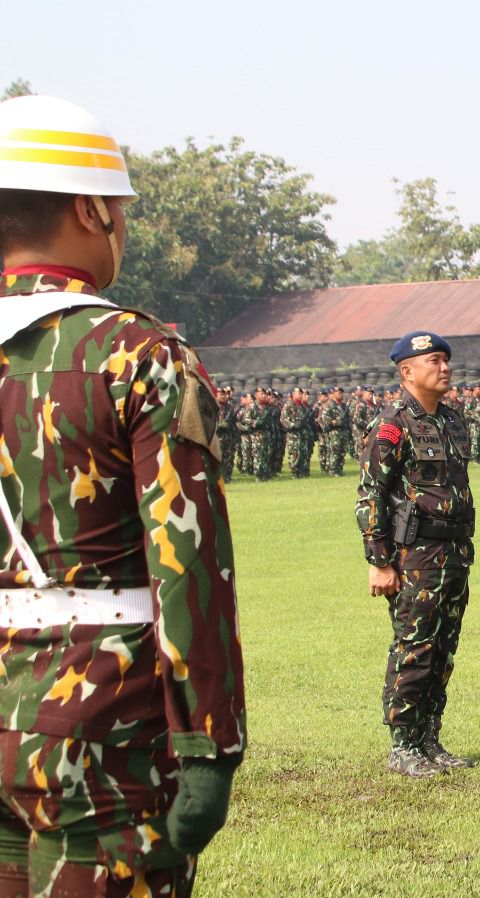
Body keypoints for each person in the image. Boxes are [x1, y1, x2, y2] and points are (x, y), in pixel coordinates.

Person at [0, 94, 246, 897]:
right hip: (106, 728)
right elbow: (189, 563)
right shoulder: (138, 353)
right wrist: (209, 744)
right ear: (90, 209)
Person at [355, 331, 477, 777]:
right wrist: (379, 562)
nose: (444, 368)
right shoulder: (392, 424)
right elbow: (370, 494)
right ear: (407, 371)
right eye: (433, 361)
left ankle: (429, 739)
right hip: (414, 556)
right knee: (415, 647)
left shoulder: (452, 420)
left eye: (445, 360)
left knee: (443, 649)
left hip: (454, 551)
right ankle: (403, 746)